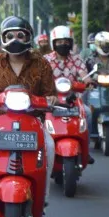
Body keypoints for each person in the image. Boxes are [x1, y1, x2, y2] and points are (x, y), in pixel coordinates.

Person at [0, 16, 58, 211]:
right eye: (10, 35)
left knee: (49, 146)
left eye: (20, 35)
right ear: (3, 38)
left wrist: (51, 100)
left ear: (29, 37)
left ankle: (44, 194)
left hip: (33, 121)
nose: (15, 39)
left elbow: (51, 93)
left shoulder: (41, 63)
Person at [44, 25, 95, 164]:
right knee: (39, 117)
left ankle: (86, 149)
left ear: (71, 43)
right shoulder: (46, 60)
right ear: (54, 43)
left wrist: (88, 81)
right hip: (51, 99)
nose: (63, 44)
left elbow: (83, 74)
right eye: (59, 42)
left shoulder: (77, 59)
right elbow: (40, 77)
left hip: (72, 99)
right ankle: (41, 149)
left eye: (66, 41)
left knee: (88, 113)